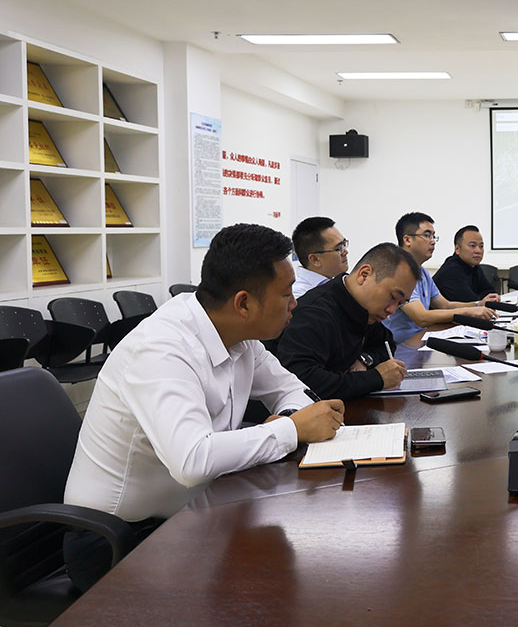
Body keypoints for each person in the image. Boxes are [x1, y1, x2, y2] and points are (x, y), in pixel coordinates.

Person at [63, 224, 344, 589]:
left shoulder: (238, 335)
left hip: (193, 512)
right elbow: (192, 461)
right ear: (243, 303)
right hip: (117, 541)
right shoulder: (161, 350)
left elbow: (292, 390)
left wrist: (291, 418)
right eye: (286, 293)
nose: (295, 303)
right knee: (279, 581)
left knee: (303, 562)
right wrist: (291, 429)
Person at [275, 243, 420, 400]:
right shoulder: (315, 314)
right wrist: (376, 378)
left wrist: (364, 360)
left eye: (400, 303)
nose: (392, 310)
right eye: (393, 297)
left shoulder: (363, 308)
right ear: (364, 275)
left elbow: (385, 343)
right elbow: (305, 382)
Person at [383, 212, 499, 345]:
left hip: (422, 340)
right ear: (407, 240)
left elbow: (445, 305)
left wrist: (478, 305)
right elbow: (422, 317)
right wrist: (469, 312)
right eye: (427, 236)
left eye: (433, 236)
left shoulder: (423, 272)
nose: (433, 241)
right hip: (401, 346)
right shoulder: (399, 272)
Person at [432, 224, 497, 302]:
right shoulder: (452, 270)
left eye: (481, 246)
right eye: (472, 245)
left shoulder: (475, 267)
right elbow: (470, 302)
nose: (478, 251)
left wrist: (487, 298)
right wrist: (483, 298)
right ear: (457, 249)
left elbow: (491, 293)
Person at [290, 216, 348, 299]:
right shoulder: (299, 296)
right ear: (315, 259)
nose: (345, 252)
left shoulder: (337, 284)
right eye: (339, 249)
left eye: (344, 244)